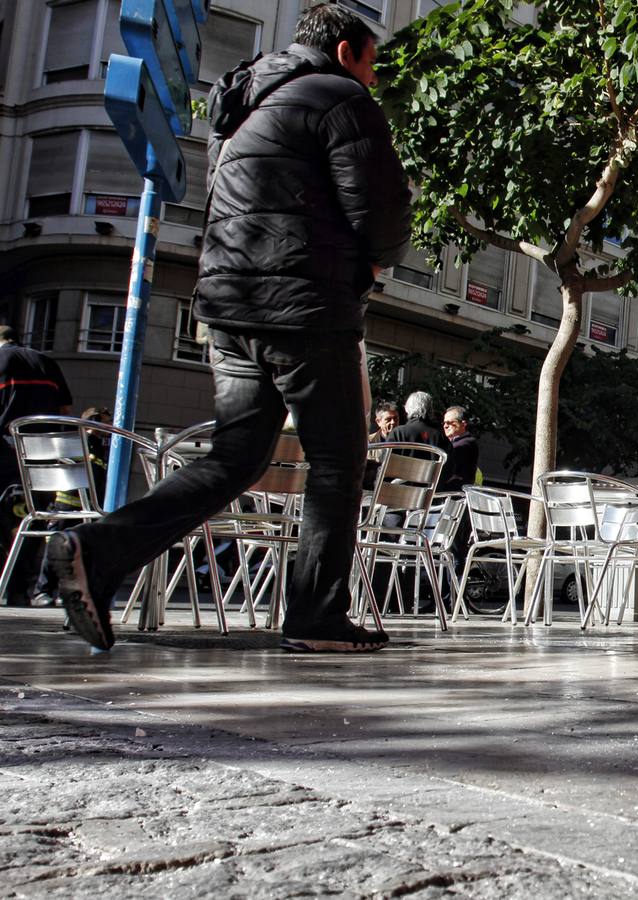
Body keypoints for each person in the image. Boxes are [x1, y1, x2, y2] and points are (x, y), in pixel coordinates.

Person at [43, 3, 412, 653]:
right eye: (373, 63)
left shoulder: (240, 104)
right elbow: (379, 202)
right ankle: (316, 617)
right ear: (349, 51)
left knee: (235, 457)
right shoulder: (340, 97)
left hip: (227, 303)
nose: (374, 78)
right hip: (301, 304)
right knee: (337, 462)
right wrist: (377, 259)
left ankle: (94, 550)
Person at [0, 325, 73, 606]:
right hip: (42, 456)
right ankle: (21, 591)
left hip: (5, 451)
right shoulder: (47, 362)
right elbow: (66, 411)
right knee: (33, 519)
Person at [441, 406, 479, 492]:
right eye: (444, 423)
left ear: (463, 424)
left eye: (450, 422)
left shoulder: (465, 444)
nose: (445, 426)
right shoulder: (453, 443)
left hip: (454, 495)